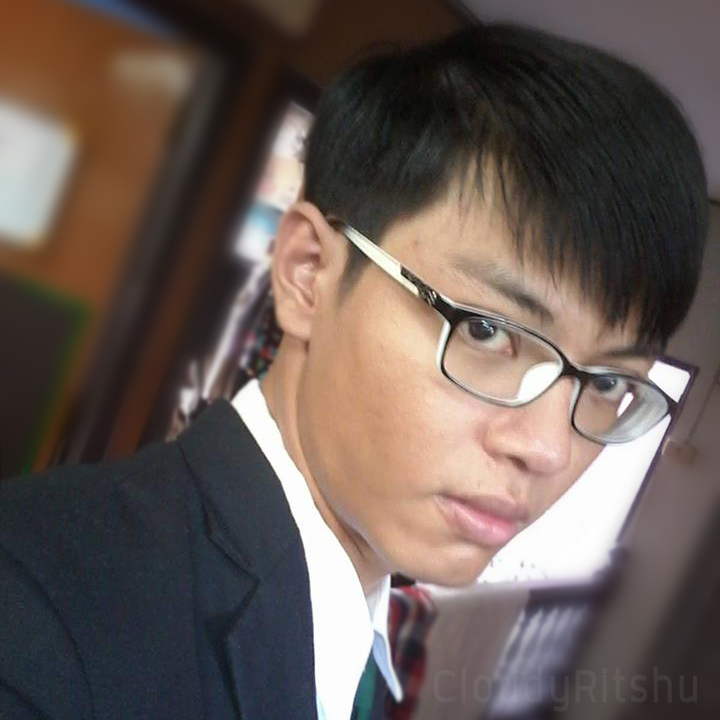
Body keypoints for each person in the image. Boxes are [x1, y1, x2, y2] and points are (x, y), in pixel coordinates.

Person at [0, 22, 708, 720]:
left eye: (607, 383)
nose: (549, 448)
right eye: (487, 331)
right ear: (308, 273)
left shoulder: (352, 622)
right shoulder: (38, 622)